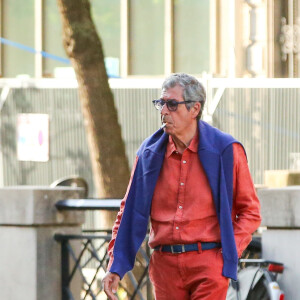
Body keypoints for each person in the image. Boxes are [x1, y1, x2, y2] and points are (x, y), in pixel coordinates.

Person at [102, 73, 261, 300]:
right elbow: (128, 211)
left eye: (172, 105)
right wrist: (115, 266)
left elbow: (250, 211)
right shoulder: (149, 153)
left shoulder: (226, 150)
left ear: (195, 109)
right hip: (164, 266)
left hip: (208, 263)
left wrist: (228, 253)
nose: (164, 111)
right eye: (161, 103)